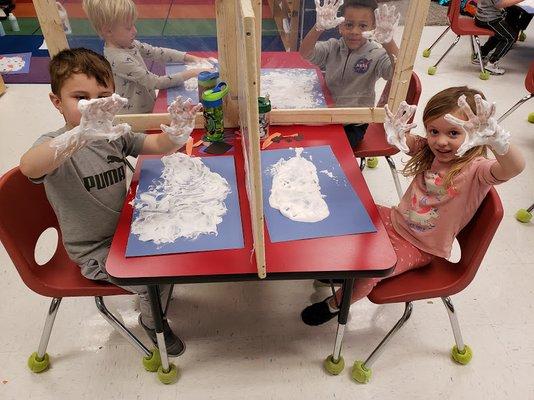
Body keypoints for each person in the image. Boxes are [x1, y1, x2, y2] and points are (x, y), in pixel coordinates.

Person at [19, 48, 202, 355]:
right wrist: (78, 135)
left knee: (178, 245)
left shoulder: (112, 133)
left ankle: (157, 294)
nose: (95, 108)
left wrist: (177, 133)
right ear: (57, 103)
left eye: (103, 97)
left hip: (126, 229)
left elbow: (154, 144)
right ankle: (152, 322)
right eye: (81, 99)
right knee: (150, 280)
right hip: (95, 250)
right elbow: (29, 166)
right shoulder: (55, 146)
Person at [301, 86, 525, 326]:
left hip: (420, 246)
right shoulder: (432, 151)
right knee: (350, 210)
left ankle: (335, 304)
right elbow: (410, 143)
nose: (441, 141)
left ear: (475, 133)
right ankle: (341, 270)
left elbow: (514, 168)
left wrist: (498, 141)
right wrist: (397, 133)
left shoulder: (477, 170)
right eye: (434, 131)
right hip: (395, 220)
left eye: (453, 133)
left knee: (369, 275)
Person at [82, 0, 213, 114]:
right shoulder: (119, 59)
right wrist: (191, 73)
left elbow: (157, 52)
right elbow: (156, 82)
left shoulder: (130, 44)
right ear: (108, 31)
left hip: (147, 105)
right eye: (128, 28)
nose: (135, 31)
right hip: (135, 118)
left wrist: (189, 58)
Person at [299, 0, 400, 148]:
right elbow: (305, 53)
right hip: (326, 113)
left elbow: (399, 73)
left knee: (332, 150)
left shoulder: (377, 54)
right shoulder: (333, 46)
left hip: (354, 123)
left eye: (363, 26)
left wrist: (388, 42)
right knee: (304, 141)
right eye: (349, 24)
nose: (355, 31)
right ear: (340, 26)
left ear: (373, 28)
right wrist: (318, 28)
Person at [474, 0, 532, 75]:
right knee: (510, 38)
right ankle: (491, 64)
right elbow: (499, 4)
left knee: (502, 33)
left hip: (482, 15)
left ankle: (482, 53)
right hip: (489, 19)